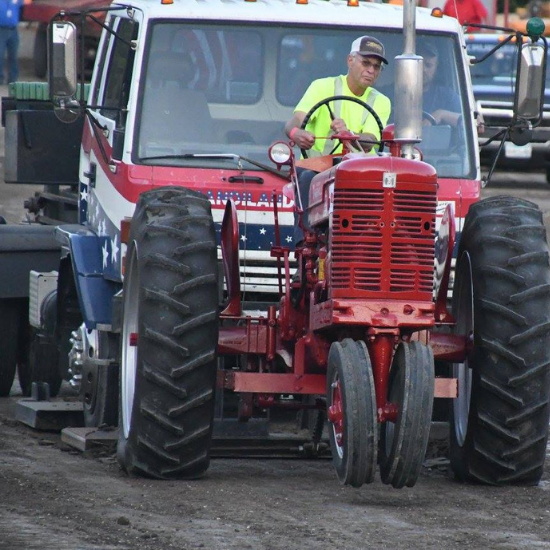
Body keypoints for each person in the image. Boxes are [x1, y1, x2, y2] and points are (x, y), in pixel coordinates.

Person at [285, 35, 391, 244]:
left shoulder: (380, 101)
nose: (371, 70)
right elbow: (293, 123)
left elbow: (371, 138)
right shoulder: (322, 87)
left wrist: (349, 133)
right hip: (317, 170)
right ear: (350, 61)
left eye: (376, 67)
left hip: (357, 175)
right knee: (305, 178)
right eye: (366, 63)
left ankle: (367, 248)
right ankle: (305, 247)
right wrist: (296, 134)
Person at [419, 41, 462, 127]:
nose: (423, 70)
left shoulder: (446, 96)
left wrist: (441, 114)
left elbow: (470, 122)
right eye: (419, 64)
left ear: (436, 67)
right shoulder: (392, 92)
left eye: (428, 65)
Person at [0, 0, 21, 85]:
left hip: (13, 29)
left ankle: (13, 79)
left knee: (13, 55)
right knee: (0, 55)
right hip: (1, 29)